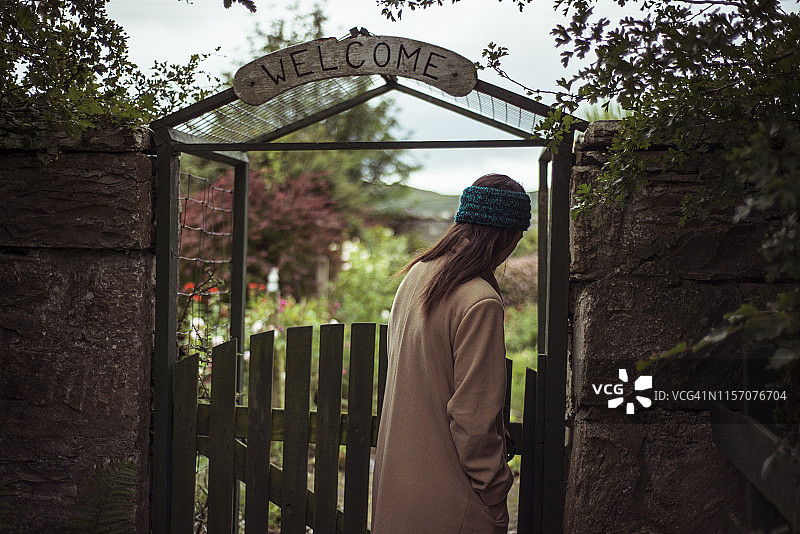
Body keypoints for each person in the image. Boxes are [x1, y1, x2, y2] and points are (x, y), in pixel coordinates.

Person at [371, 174, 530, 534]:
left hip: (397, 489)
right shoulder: (480, 300)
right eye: (517, 239)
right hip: (452, 503)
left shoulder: (416, 276)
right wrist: (494, 490)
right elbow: (472, 418)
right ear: (505, 235)